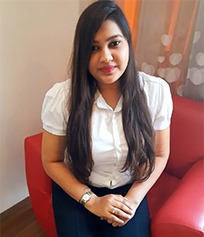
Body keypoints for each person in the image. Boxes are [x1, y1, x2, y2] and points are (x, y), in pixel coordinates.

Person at [41, 1, 173, 236]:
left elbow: (159, 154)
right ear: (82, 53)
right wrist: (91, 201)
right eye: (93, 48)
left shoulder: (155, 91)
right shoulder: (62, 97)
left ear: (128, 45)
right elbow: (52, 160)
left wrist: (132, 201)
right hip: (78, 188)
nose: (106, 57)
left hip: (128, 188)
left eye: (114, 43)